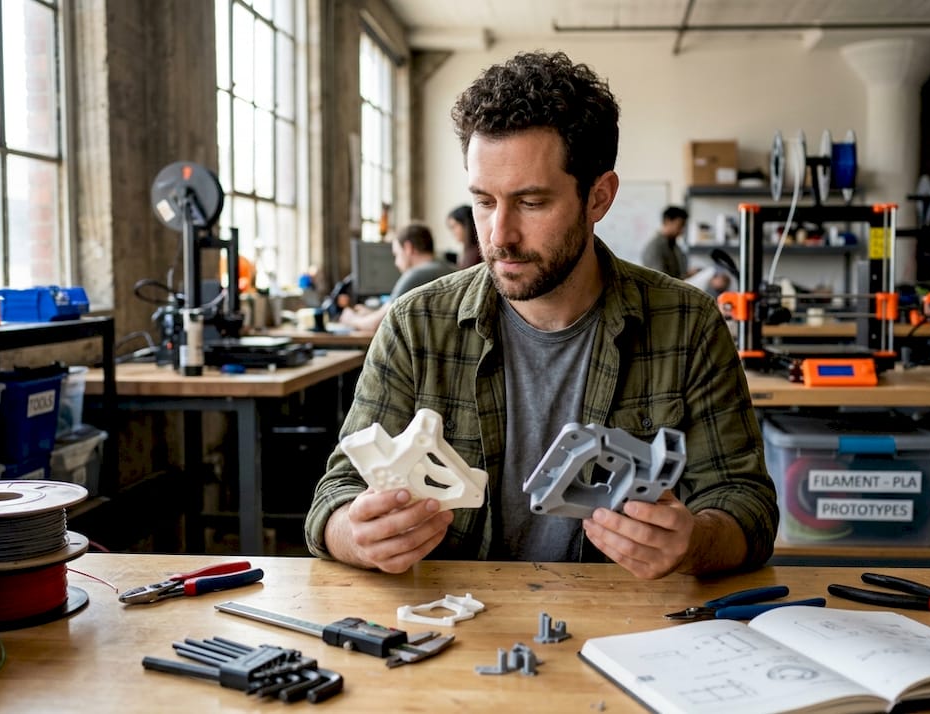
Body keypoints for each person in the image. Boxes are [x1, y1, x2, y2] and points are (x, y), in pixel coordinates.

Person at [305, 50, 776, 580]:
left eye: (531, 203)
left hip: (619, 619)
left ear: (598, 198)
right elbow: (335, 496)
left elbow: (748, 506)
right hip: (451, 617)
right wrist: (357, 535)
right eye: (484, 202)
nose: (499, 236)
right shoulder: (416, 324)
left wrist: (693, 543)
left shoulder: (687, 323)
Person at [336, 223, 455, 332]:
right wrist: (370, 313)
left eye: (396, 254)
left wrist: (351, 319)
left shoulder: (416, 275)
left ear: (408, 248)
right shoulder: (449, 268)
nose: (396, 263)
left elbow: (379, 324)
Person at [641, 206, 697, 279]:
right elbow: (660, 280)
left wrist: (688, 275)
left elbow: (676, 274)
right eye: (680, 226)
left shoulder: (674, 245)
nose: (682, 231)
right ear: (667, 221)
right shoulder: (655, 247)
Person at [448, 204, 481, 269]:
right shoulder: (465, 252)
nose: (452, 232)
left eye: (454, 226)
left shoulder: (479, 253)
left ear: (467, 225)